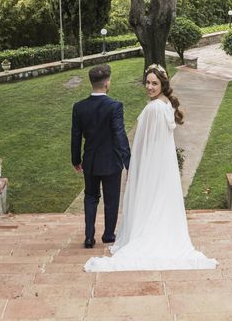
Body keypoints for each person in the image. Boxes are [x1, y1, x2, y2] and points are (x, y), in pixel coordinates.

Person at [84, 64, 218, 271]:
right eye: (147, 82)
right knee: (161, 202)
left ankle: (147, 234)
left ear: (163, 84)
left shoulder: (153, 108)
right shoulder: (166, 105)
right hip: (164, 166)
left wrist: (135, 168)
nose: (149, 87)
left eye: (154, 83)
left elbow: (143, 143)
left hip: (152, 164)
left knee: (150, 201)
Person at [71, 64, 131, 249]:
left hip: (90, 161)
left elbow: (76, 136)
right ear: (107, 83)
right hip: (111, 161)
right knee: (111, 199)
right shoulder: (115, 106)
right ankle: (108, 235)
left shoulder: (79, 107)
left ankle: (89, 237)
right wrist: (129, 161)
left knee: (90, 197)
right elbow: (119, 134)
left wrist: (76, 160)